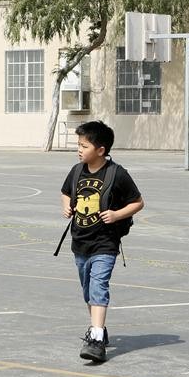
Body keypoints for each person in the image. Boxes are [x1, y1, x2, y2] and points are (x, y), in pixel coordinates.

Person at [60, 121, 144, 363]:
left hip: (105, 243)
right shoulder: (77, 171)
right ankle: (98, 329)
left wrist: (118, 214)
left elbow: (138, 202)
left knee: (98, 287)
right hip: (80, 242)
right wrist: (66, 207)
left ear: (101, 149)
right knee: (88, 290)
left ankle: (96, 339)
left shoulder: (117, 174)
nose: (79, 150)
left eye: (84, 145)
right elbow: (65, 192)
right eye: (78, 145)